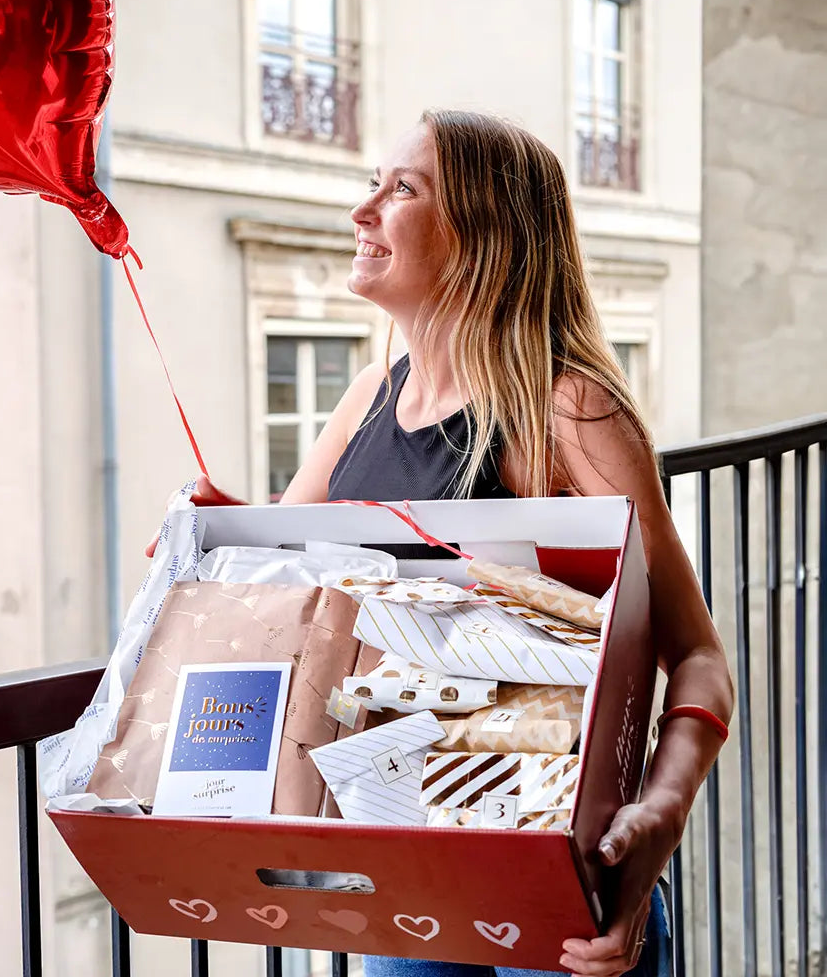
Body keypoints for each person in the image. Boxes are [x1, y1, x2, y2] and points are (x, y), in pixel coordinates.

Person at [149, 109, 734, 977]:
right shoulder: (367, 397)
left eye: (402, 190)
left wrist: (662, 812)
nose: (362, 211)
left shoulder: (570, 410)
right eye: (373, 185)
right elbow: (289, 588)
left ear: (481, 235)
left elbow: (699, 658)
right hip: (399, 851)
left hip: (553, 864)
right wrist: (213, 532)